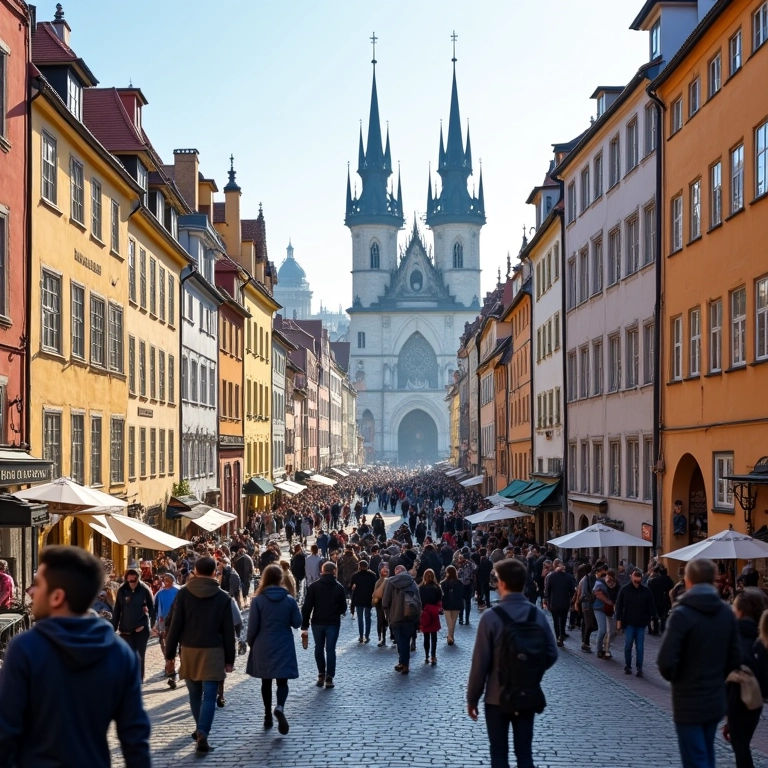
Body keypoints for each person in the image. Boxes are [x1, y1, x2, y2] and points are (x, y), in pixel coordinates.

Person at [0, 545, 150, 767]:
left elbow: (6, 731)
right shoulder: (120, 653)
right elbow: (135, 738)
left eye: (38, 585)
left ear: (57, 596)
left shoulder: (25, 649)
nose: (31, 592)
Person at [466, 557, 558, 768]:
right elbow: (551, 653)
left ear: (503, 583)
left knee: (499, 754)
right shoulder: (537, 614)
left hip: (496, 697)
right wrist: (530, 671)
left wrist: (472, 698)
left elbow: (479, 664)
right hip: (527, 693)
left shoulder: (491, 617)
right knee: (524, 753)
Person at [657, 558, 741, 768]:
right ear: (713, 581)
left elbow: (666, 662)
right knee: (706, 752)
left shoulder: (682, 614)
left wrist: (680, 678)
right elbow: (736, 659)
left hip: (688, 700)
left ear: (688, 581)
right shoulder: (726, 614)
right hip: (715, 697)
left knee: (695, 757)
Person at [164, 555, 236, 755]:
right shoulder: (223, 597)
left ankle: (200, 729)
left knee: (195, 694)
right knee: (210, 696)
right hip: (214, 651)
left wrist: (169, 654)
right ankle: (203, 732)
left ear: (195, 571)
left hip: (189, 650)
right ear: (215, 572)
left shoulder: (184, 594)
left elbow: (175, 626)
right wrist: (230, 659)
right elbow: (228, 632)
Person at [246, 564, 302, 735]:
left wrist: (250, 643)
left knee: (266, 681)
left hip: (263, 643)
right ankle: (280, 706)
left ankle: (267, 715)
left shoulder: (258, 600)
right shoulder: (289, 599)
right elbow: (297, 623)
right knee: (282, 681)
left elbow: (252, 626)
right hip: (283, 642)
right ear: (280, 579)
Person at [723, 588, 768, 768]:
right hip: (755, 703)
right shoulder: (761, 636)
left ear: (739, 611)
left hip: (738, 699)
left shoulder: (736, 636)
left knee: (740, 748)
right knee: (742, 745)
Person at [300, 561, 347, 689]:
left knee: (319, 648)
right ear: (334, 571)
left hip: (317, 622)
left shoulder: (314, 587)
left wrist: (304, 625)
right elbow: (343, 608)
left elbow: (307, 607)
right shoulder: (339, 587)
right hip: (332, 622)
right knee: (331, 650)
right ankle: (329, 677)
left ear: (322, 571)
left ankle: (321, 674)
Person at [111, 568, 155, 682]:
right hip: (125, 629)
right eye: (129, 580)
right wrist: (113, 628)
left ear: (138, 579)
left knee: (139, 656)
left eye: (134, 580)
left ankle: (138, 681)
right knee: (126, 656)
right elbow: (117, 611)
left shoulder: (144, 589)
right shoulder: (122, 590)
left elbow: (151, 608)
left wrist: (151, 625)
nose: (131, 583)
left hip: (141, 629)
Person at [615, 567, 656, 677]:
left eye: (639, 577)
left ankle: (639, 667)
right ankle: (628, 665)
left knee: (640, 647)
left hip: (641, 624)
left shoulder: (646, 591)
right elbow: (618, 606)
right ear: (631, 577)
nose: (637, 580)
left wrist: (652, 619)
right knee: (628, 645)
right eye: (635, 577)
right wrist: (618, 620)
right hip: (628, 623)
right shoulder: (624, 590)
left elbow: (651, 606)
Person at [382, 564, 421, 674]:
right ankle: (404, 664)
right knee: (406, 640)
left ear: (396, 572)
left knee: (400, 641)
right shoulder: (413, 583)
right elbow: (419, 601)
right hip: (410, 616)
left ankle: (403, 663)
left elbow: (385, 602)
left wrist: (388, 615)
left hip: (396, 616)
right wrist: (417, 617)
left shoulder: (391, 582)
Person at [543, 559, 575, 647]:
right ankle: (561, 635)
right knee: (563, 620)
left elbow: (547, 590)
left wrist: (545, 600)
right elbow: (572, 591)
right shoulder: (568, 577)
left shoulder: (551, 576)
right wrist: (572, 601)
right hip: (565, 602)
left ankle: (558, 637)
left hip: (553, 602)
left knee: (556, 621)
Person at [349, 560, 377, 643]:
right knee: (368, 618)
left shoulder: (355, 575)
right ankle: (367, 636)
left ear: (359, 566)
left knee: (360, 618)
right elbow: (374, 587)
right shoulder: (372, 575)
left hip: (358, 599)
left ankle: (361, 636)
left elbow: (351, 587)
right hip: (368, 599)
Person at [419, 568, 442, 665]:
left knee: (426, 636)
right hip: (434, 612)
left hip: (425, 613)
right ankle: (433, 655)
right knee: (434, 636)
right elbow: (440, 600)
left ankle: (426, 655)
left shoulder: (420, 588)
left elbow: (419, 601)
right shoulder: (437, 587)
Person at [440, 565, 464, 646]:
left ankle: (450, 637)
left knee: (449, 622)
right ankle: (451, 637)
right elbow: (462, 594)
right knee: (453, 622)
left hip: (446, 604)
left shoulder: (443, 583)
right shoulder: (460, 583)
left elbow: (441, 595)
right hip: (457, 604)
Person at [372, 563, 390, 646]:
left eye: (386, 569)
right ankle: (382, 637)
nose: (385, 570)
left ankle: (387, 637)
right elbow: (376, 594)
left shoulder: (390, 580)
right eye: (383, 569)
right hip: (380, 603)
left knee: (387, 621)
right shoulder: (379, 581)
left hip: (387, 603)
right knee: (381, 621)